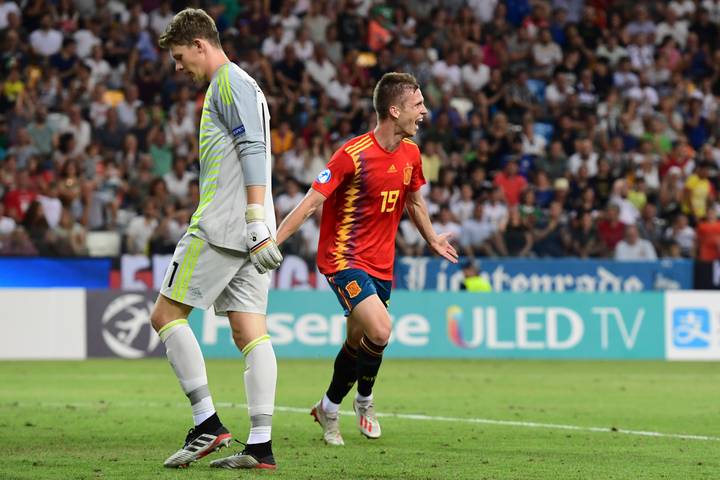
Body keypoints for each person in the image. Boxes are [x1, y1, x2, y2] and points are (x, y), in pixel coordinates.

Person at [275, 72, 458, 446]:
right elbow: (311, 203)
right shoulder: (351, 155)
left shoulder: (411, 153)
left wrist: (432, 238)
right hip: (342, 259)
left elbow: (414, 202)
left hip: (381, 264)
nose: (424, 111)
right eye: (418, 104)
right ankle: (364, 400)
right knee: (380, 330)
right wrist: (271, 243)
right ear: (395, 110)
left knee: (357, 343)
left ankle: (327, 406)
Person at [152, 8, 282, 470]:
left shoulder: (227, 83)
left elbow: (252, 148)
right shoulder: (245, 85)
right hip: (251, 229)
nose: (178, 66)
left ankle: (206, 423)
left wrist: (249, 214)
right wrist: (258, 220)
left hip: (223, 225)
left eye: (180, 55)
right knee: (250, 331)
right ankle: (261, 446)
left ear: (201, 45)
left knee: (165, 314)